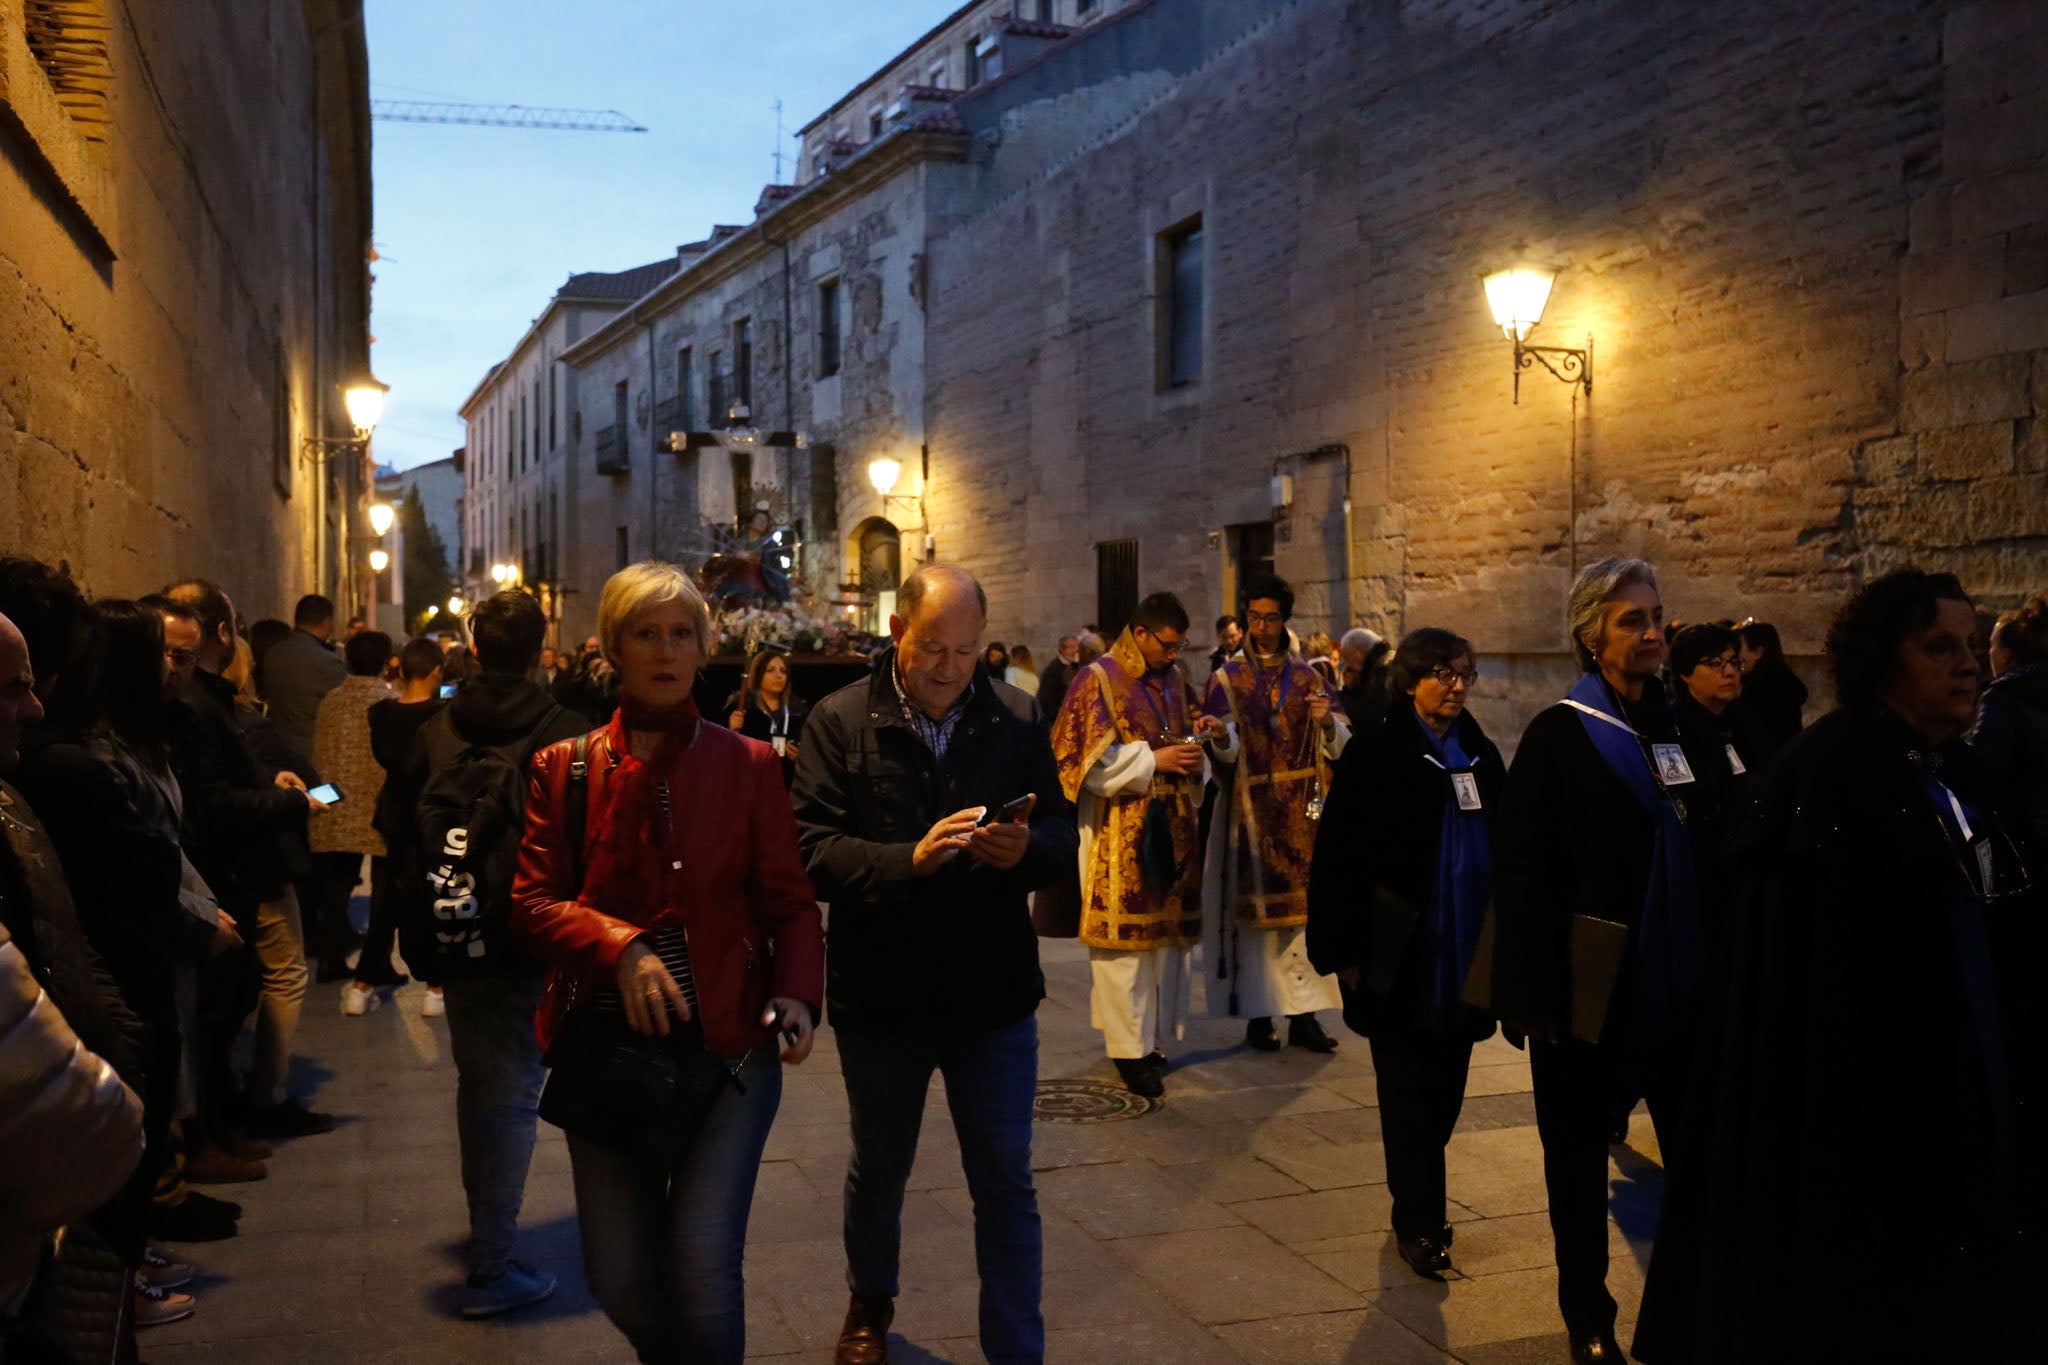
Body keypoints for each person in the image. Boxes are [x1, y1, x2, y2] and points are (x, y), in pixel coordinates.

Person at [1635, 569, 2043, 1362]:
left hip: (1965, 1105)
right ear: (1882, 658)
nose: (1969, 664)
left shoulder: (1945, 765)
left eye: (1970, 645)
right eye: (1939, 647)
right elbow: (1810, 989)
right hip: (1862, 1133)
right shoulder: (1831, 773)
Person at [513, 564, 823, 1361]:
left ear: (703, 646)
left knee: (704, 1267)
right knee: (618, 1276)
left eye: (680, 632)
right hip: (609, 1053)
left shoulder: (748, 763)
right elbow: (532, 903)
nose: (664, 649)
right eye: (646, 633)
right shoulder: (565, 767)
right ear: (615, 647)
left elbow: (788, 901)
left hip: (730, 1051)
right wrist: (620, 947)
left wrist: (796, 993)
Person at [793, 564, 1073, 1365]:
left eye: (966, 649)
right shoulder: (841, 721)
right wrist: (904, 861)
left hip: (993, 993)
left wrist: (1028, 850)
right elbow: (810, 850)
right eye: (932, 648)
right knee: (880, 1165)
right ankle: (868, 1304)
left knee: (1006, 1180)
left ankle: (1017, 1346)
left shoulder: (1014, 717)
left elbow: (1060, 832)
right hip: (884, 993)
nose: (950, 667)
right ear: (896, 634)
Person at [1479, 558, 1709, 1365]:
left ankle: (1690, 1306)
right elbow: (1523, 870)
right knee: (1576, 1164)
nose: (1651, 633)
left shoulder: (1679, 723)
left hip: (1679, 979)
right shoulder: (1559, 733)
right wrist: (1528, 995)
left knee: (1699, 1154)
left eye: (1656, 616)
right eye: (1630, 621)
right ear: (1589, 636)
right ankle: (1588, 1314)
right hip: (1588, 982)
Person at [381, 592, 587, 1313]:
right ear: (538, 653)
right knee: (508, 1098)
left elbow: (394, 826)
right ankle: (493, 1266)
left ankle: (488, 1239)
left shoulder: (439, 728)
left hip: (458, 931)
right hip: (537, 938)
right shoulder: (566, 730)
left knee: (483, 1090)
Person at [1306, 628, 1502, 1279]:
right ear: (1411, 679)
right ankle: (1419, 1220)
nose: (1456, 685)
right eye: (1444, 672)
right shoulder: (1378, 752)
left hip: (1466, 949)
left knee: (1444, 1091)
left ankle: (1419, 1186)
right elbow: (1338, 856)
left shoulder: (1480, 752)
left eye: (1464, 672)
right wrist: (1342, 947)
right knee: (1406, 1092)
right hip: (1397, 951)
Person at [164, 577, 334, 1142]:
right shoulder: (244, 723)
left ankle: (236, 1099)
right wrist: (304, 799)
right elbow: (321, 788)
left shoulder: (230, 716)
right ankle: (260, 1097)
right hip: (258, 865)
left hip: (235, 866)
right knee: (275, 979)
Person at [1052, 593, 1215, 1099]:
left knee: (1164, 949)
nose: (1174, 654)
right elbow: (1080, 759)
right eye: (1168, 644)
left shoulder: (1175, 680)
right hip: (1118, 830)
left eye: (1180, 645)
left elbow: (1187, 744)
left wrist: (1197, 753)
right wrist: (1154, 761)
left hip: (1175, 823)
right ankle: (1129, 1052)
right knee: (1125, 951)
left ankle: (1149, 1040)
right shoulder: (1096, 679)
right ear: (1140, 634)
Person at [1201, 575, 1349, 1054]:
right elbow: (1223, 745)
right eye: (1253, 617)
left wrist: (1327, 722)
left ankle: (1304, 1017)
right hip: (1250, 814)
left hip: (1304, 817)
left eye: (1270, 618)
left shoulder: (1309, 678)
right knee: (1256, 927)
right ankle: (1259, 1017)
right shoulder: (1225, 680)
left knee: (1304, 923)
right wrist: (1221, 740)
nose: (1260, 627)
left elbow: (1344, 742)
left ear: (1285, 621)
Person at [308, 631, 402, 1014]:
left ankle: (329, 956)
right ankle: (375, 962)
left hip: (334, 800)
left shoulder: (331, 700)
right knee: (385, 887)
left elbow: (320, 751)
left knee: (336, 884)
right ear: (385, 663)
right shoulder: (389, 701)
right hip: (378, 805)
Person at [1969, 593, 2048, 852]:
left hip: (2028, 841)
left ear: (2004, 655)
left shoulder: (2002, 696)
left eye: (1990, 646)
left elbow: (1980, 772)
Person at [260, 594, 347, 759]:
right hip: (312, 753)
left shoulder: (274, 654)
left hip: (278, 748)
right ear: (327, 622)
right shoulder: (328, 662)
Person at [724, 648, 806, 787]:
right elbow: (720, 751)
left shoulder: (797, 709)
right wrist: (730, 730)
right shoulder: (741, 707)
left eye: (783, 671)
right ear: (757, 674)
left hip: (786, 783)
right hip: (749, 782)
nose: (779, 676)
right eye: (770, 670)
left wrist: (800, 755)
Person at [1733, 620, 1806, 761]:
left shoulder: (1763, 691)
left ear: (1758, 652)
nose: (1736, 657)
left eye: (1739, 647)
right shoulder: (1783, 682)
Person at [1338, 628, 1392, 731]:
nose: (1347, 666)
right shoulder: (1376, 669)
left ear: (1359, 653)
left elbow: (1368, 714)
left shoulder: (1383, 673)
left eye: (1346, 658)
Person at [1035, 634, 1082, 714]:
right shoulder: (1053, 670)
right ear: (1061, 649)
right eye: (1071, 647)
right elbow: (1048, 699)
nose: (1075, 650)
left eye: (1076, 647)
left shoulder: (1077, 666)